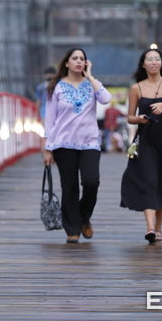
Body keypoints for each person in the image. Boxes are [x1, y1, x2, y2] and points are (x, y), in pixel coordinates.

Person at [43, 48, 111, 243]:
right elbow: (50, 120)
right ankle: (72, 229)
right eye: (75, 58)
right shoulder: (56, 87)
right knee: (69, 187)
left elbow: (107, 99)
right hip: (63, 143)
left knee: (92, 182)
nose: (79, 61)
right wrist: (47, 148)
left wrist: (90, 76)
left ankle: (83, 217)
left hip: (89, 142)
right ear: (67, 63)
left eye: (82, 59)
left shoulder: (91, 85)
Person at [120, 45, 162, 243]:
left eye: (157, 59)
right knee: (149, 182)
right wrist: (140, 119)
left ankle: (159, 227)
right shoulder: (136, 88)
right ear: (143, 65)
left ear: (161, 63)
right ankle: (150, 228)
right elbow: (130, 117)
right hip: (145, 139)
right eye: (150, 59)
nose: (154, 62)